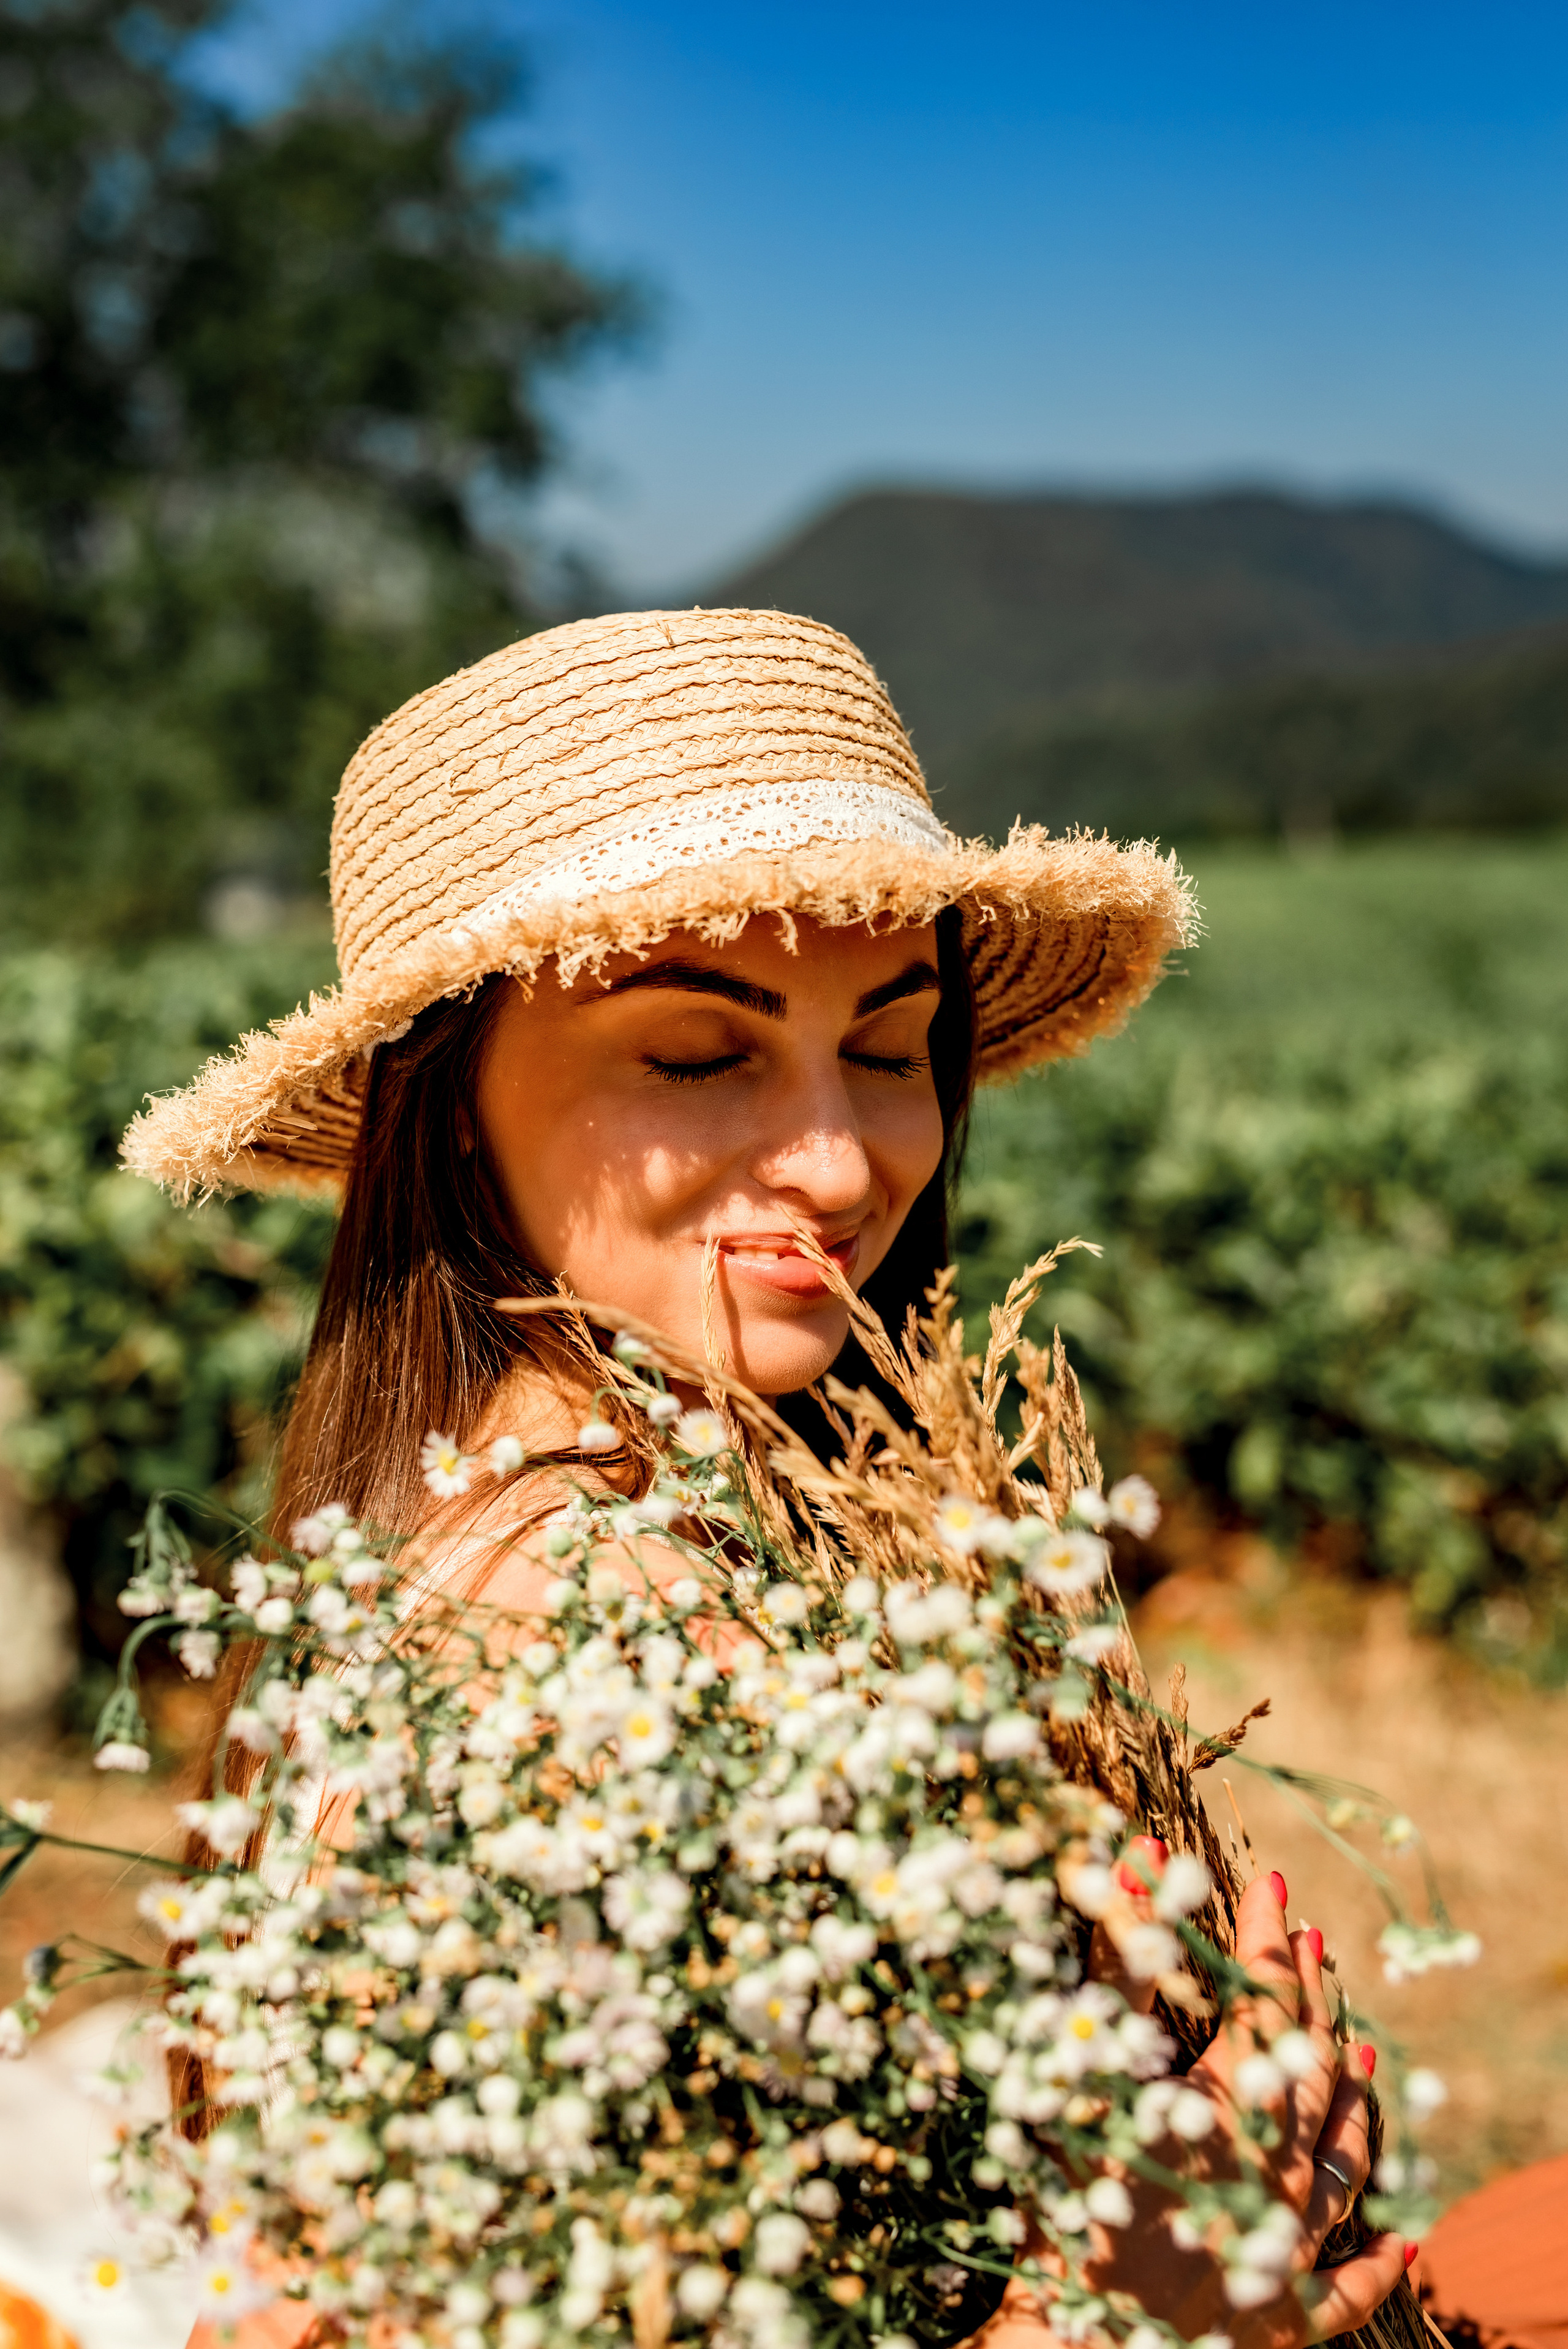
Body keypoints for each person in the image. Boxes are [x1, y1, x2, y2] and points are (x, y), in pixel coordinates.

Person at [126, 607, 1409, 2344]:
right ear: (443, 1102)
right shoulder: (549, 1669)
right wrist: (1127, 2311)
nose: (835, 1154)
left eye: (888, 1047)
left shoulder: (657, 1528)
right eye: (695, 1050)